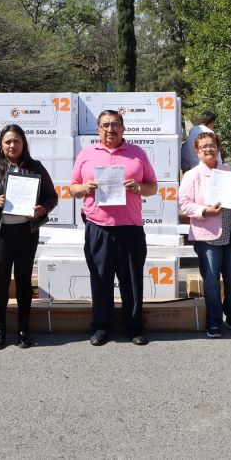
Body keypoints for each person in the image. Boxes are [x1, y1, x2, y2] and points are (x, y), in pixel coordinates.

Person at [70, 109, 158, 346]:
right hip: (98, 227)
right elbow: (72, 189)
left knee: (131, 280)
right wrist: (85, 188)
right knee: (101, 280)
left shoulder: (137, 154)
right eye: (106, 125)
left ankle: (134, 327)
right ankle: (101, 327)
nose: (111, 129)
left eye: (115, 124)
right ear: (98, 129)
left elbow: (153, 186)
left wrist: (139, 188)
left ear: (123, 128)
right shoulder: (86, 154)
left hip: (130, 228)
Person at [0, 124, 58, 350]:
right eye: (8, 141)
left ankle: (23, 327)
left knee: (23, 280)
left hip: (26, 232)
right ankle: (0, 327)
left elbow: (52, 197)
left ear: (23, 144)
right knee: (0, 281)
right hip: (1, 233)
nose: (12, 145)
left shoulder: (35, 167)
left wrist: (42, 209)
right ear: (1, 145)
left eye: (16, 141)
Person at [178, 132, 231, 338]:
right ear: (197, 151)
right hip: (207, 235)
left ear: (218, 148)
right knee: (211, 280)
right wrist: (204, 211)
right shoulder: (192, 175)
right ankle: (214, 321)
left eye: (212, 145)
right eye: (204, 147)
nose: (209, 149)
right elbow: (183, 204)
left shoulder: (228, 171)